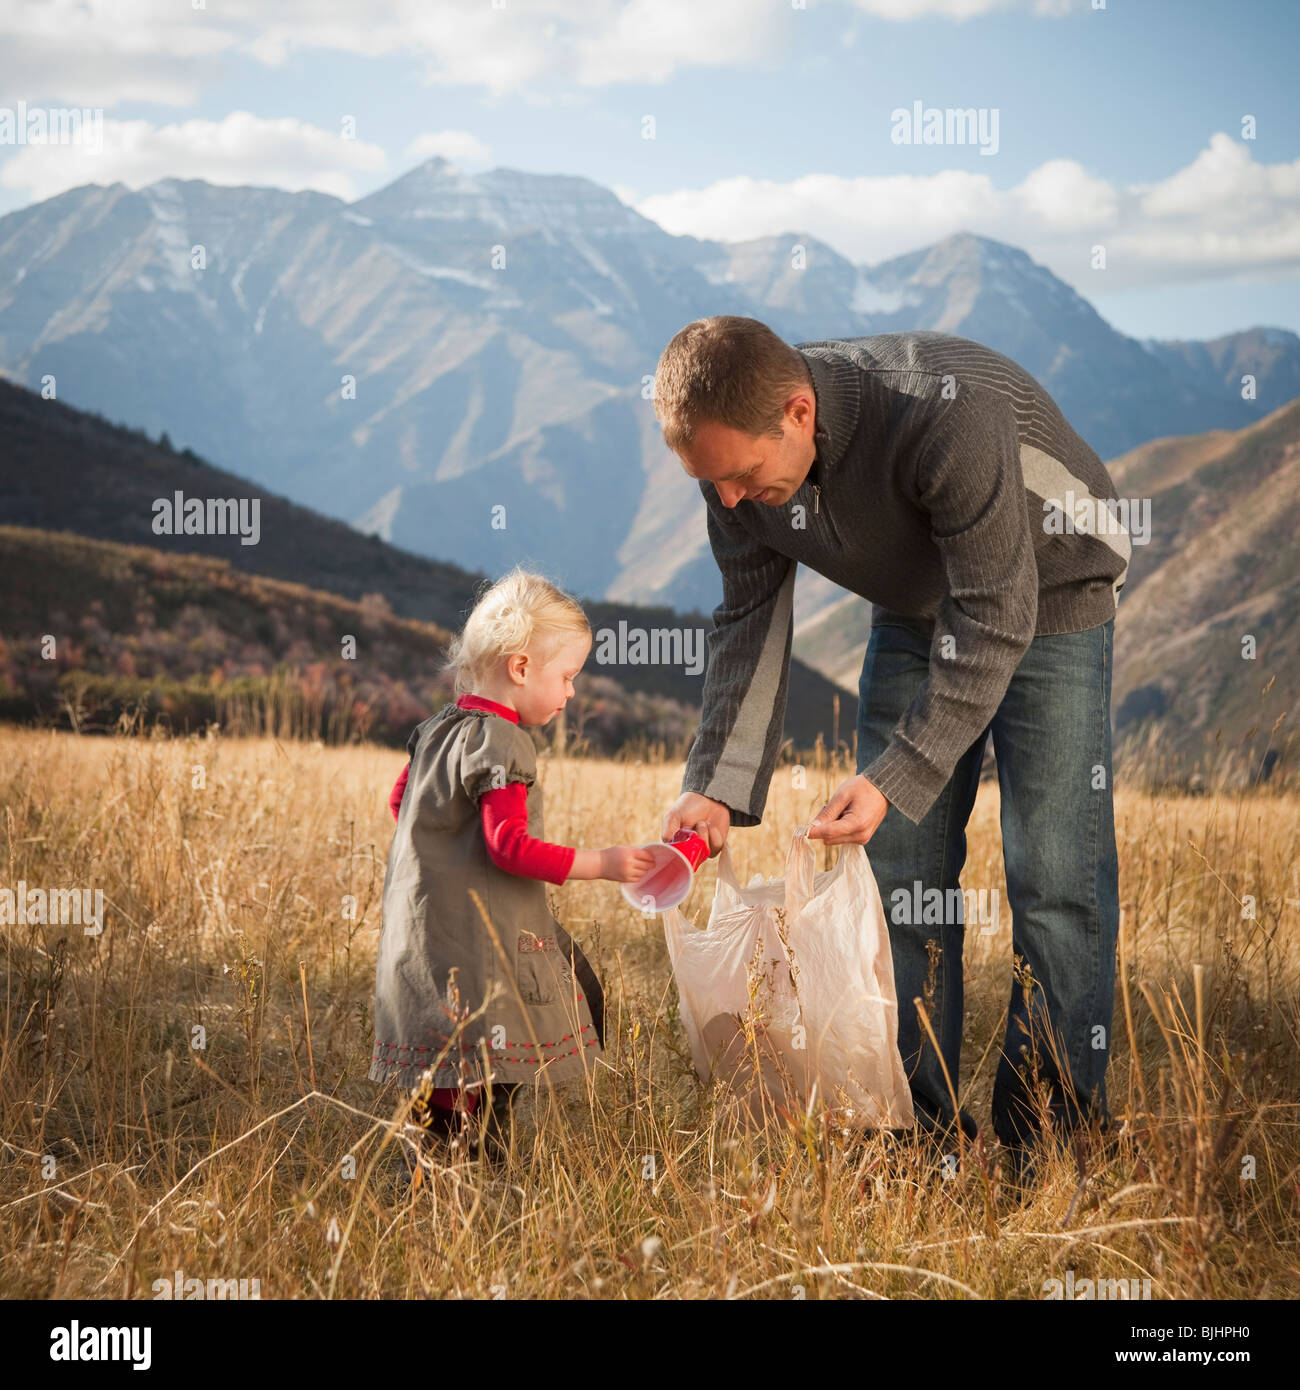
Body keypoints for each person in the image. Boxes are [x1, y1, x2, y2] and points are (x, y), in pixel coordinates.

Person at [655, 316, 1128, 1188]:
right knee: (897, 880)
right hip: (916, 609)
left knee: (1056, 881)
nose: (725, 502)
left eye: (740, 477)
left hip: (1052, 591)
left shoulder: (947, 414)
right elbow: (748, 618)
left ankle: (1051, 1143)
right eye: (709, 482)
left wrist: (895, 775)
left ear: (799, 413)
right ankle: (918, 1136)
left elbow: (995, 618)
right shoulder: (733, 469)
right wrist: (714, 786)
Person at [371, 564, 655, 1157]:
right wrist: (603, 863)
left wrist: (442, 854)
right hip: (477, 939)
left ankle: (459, 1163)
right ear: (521, 668)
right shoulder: (502, 740)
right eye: (567, 677)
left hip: (430, 929)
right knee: (485, 1054)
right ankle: (455, 1176)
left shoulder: (437, 729)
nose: (571, 693)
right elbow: (509, 848)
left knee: (462, 1060)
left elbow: (403, 802)